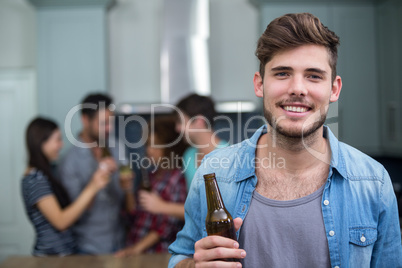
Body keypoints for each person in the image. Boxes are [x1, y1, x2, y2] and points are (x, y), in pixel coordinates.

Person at [168, 13, 402, 267]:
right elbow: (180, 255)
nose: (297, 88)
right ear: (259, 84)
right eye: (282, 73)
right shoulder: (214, 172)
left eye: (314, 75)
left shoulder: (373, 182)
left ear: (334, 89)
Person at [21, 117, 111, 256]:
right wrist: (92, 187)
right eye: (57, 140)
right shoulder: (35, 179)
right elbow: (60, 222)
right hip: (50, 258)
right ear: (41, 143)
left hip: (63, 255)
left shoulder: (46, 173)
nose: (61, 145)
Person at [58, 93, 133, 254]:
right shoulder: (69, 162)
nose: (109, 129)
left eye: (110, 122)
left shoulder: (117, 148)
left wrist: (127, 187)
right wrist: (95, 183)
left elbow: (129, 206)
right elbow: (73, 215)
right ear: (85, 120)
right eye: (103, 123)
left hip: (121, 243)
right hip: (87, 248)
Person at [139, 94, 228, 220]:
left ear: (199, 121)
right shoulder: (189, 155)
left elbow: (218, 210)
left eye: (181, 122)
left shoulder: (228, 156)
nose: (177, 128)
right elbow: (192, 205)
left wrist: (161, 206)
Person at [115, 115, 187, 257]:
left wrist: (136, 249)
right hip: (135, 247)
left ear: (169, 147)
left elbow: (167, 226)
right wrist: (128, 189)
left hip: (156, 253)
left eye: (155, 145)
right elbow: (133, 214)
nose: (149, 150)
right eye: (148, 144)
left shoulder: (176, 177)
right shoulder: (151, 175)